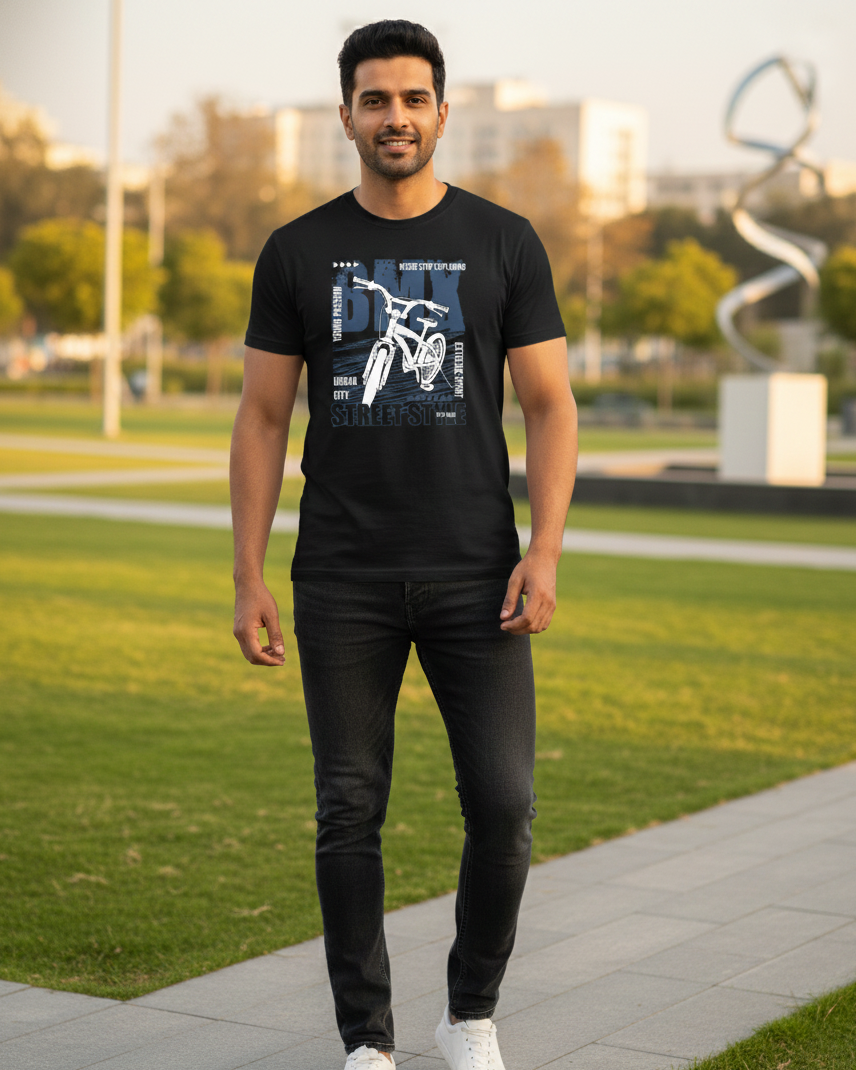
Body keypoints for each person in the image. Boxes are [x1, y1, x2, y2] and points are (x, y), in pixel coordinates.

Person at [230, 19, 577, 1070]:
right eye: (375, 100)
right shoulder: (296, 251)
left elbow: (550, 405)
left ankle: (468, 1014)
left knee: (506, 807)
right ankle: (366, 1040)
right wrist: (247, 573)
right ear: (345, 116)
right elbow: (261, 417)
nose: (395, 117)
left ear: (441, 112)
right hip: (342, 575)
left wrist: (544, 549)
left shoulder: (504, 241)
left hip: (479, 572)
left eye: (413, 98)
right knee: (348, 810)